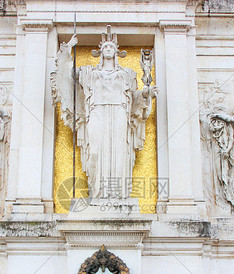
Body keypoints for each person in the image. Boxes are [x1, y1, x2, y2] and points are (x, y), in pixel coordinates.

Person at [51, 25, 156, 199]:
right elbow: (65, 75)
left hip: (119, 113)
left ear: (116, 52)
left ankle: (118, 194)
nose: (108, 49)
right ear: (100, 51)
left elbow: (135, 97)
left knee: (120, 151)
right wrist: (67, 49)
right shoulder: (88, 72)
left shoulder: (127, 74)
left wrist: (147, 92)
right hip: (96, 112)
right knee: (95, 151)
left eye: (111, 47)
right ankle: (97, 191)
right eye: (105, 47)